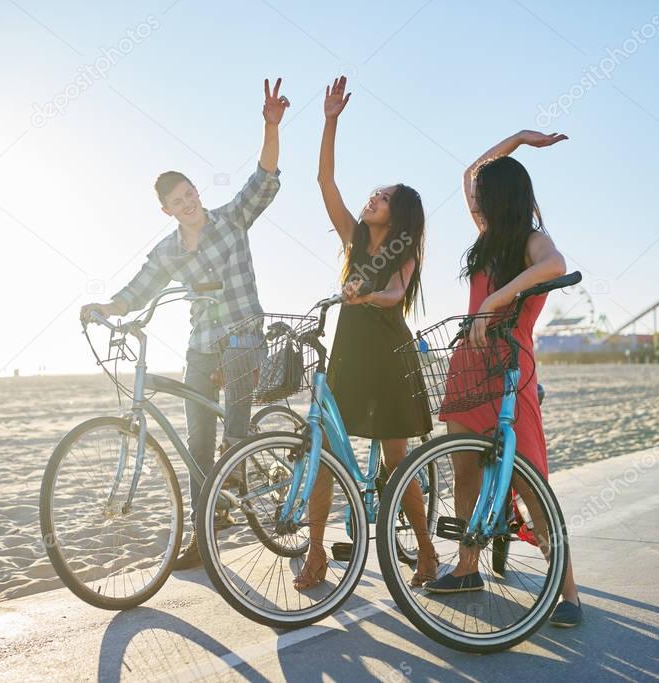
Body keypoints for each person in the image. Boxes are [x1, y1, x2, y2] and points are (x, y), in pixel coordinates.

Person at [80, 79, 290, 570]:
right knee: (197, 444)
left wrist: (271, 126)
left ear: (197, 191)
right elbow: (138, 289)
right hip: (200, 345)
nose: (187, 202)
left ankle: (234, 473)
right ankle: (205, 531)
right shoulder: (170, 249)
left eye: (190, 192)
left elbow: (265, 177)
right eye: (177, 200)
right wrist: (107, 309)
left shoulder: (232, 218)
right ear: (167, 210)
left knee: (231, 432)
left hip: (243, 334)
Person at [424, 129, 583, 628]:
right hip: (468, 364)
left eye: (485, 197)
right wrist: (516, 139)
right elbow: (468, 173)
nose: (476, 201)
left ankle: (569, 591)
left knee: (530, 479)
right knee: (465, 470)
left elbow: (556, 265)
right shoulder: (485, 237)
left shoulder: (533, 242)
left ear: (503, 199)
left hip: (511, 367)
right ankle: (467, 566)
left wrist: (496, 300)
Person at [293, 75, 435, 591]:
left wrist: (367, 296)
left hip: (389, 356)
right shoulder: (354, 239)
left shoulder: (404, 251)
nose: (373, 197)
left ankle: (426, 554)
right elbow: (325, 183)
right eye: (375, 192)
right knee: (325, 455)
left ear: (399, 214)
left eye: (384, 196)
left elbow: (397, 294)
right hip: (349, 354)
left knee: (398, 464)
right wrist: (329, 121)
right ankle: (315, 554)